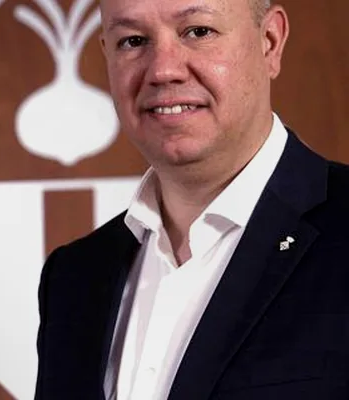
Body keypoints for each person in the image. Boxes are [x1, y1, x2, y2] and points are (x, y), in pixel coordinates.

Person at [34, 0, 349, 398]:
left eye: (198, 32)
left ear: (270, 41)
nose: (163, 70)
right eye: (133, 41)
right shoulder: (72, 278)